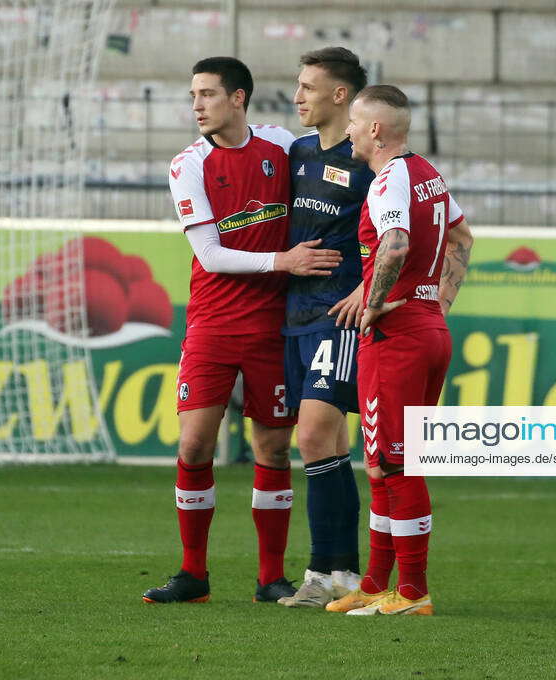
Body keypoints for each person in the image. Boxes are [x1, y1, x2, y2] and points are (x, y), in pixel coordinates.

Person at [143, 57, 342, 605]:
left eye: (207, 94)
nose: (197, 105)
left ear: (238, 98)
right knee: (194, 443)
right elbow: (208, 253)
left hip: (275, 327)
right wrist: (284, 261)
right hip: (211, 323)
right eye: (193, 96)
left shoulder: (281, 145)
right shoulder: (188, 164)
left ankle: (270, 578)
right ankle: (192, 574)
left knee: (274, 450)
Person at [325, 85, 474, 616]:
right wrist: (435, 303)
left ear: (375, 131)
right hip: (426, 328)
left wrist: (375, 304)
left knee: (398, 461)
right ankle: (376, 583)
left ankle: (412, 592)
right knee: (383, 463)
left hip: (396, 338)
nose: (346, 131)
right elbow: (462, 238)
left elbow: (395, 244)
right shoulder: (428, 174)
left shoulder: (388, 179)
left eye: (354, 123)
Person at [276, 47, 375, 609]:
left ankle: (321, 573)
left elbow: (399, 229)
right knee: (328, 442)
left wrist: (367, 287)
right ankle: (343, 577)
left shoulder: (370, 163)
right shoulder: (297, 152)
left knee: (314, 434)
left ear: (340, 95)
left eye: (308, 87)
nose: (298, 97)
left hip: (339, 314)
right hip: (295, 314)